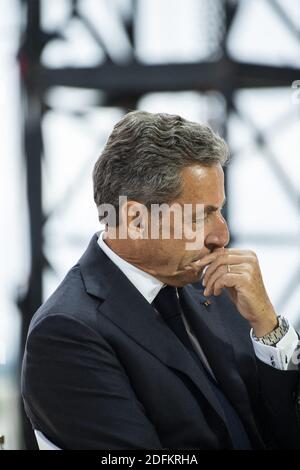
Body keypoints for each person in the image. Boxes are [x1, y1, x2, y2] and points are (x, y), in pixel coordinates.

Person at [21, 111, 300, 450]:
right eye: (201, 216)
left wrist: (270, 329)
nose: (222, 235)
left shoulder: (219, 289)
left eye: (220, 210)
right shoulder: (67, 332)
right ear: (136, 219)